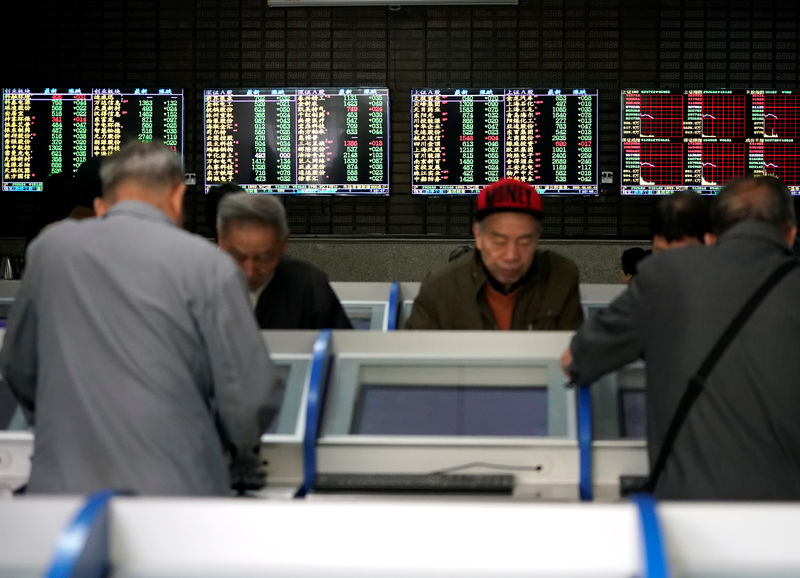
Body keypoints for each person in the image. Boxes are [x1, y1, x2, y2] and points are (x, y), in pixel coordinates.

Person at [0, 141, 284, 496]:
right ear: (179, 195)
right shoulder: (208, 264)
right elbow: (250, 396)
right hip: (176, 490)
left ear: (107, 198)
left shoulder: (49, 250)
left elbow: (18, 366)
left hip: (61, 488)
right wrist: (236, 452)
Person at [562, 176, 800, 500]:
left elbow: (576, 361)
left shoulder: (667, 274)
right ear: (790, 232)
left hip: (693, 511)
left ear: (714, 234)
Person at [405, 178, 583, 330]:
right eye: (499, 242)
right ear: (478, 236)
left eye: (524, 242)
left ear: (538, 238)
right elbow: (413, 363)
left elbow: (574, 358)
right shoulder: (440, 288)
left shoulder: (560, 278)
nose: (511, 256)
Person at [216, 192, 352, 330]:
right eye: (239, 257)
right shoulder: (199, 287)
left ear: (283, 244)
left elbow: (344, 347)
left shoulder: (309, 287)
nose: (250, 272)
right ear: (221, 241)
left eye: (263, 258)